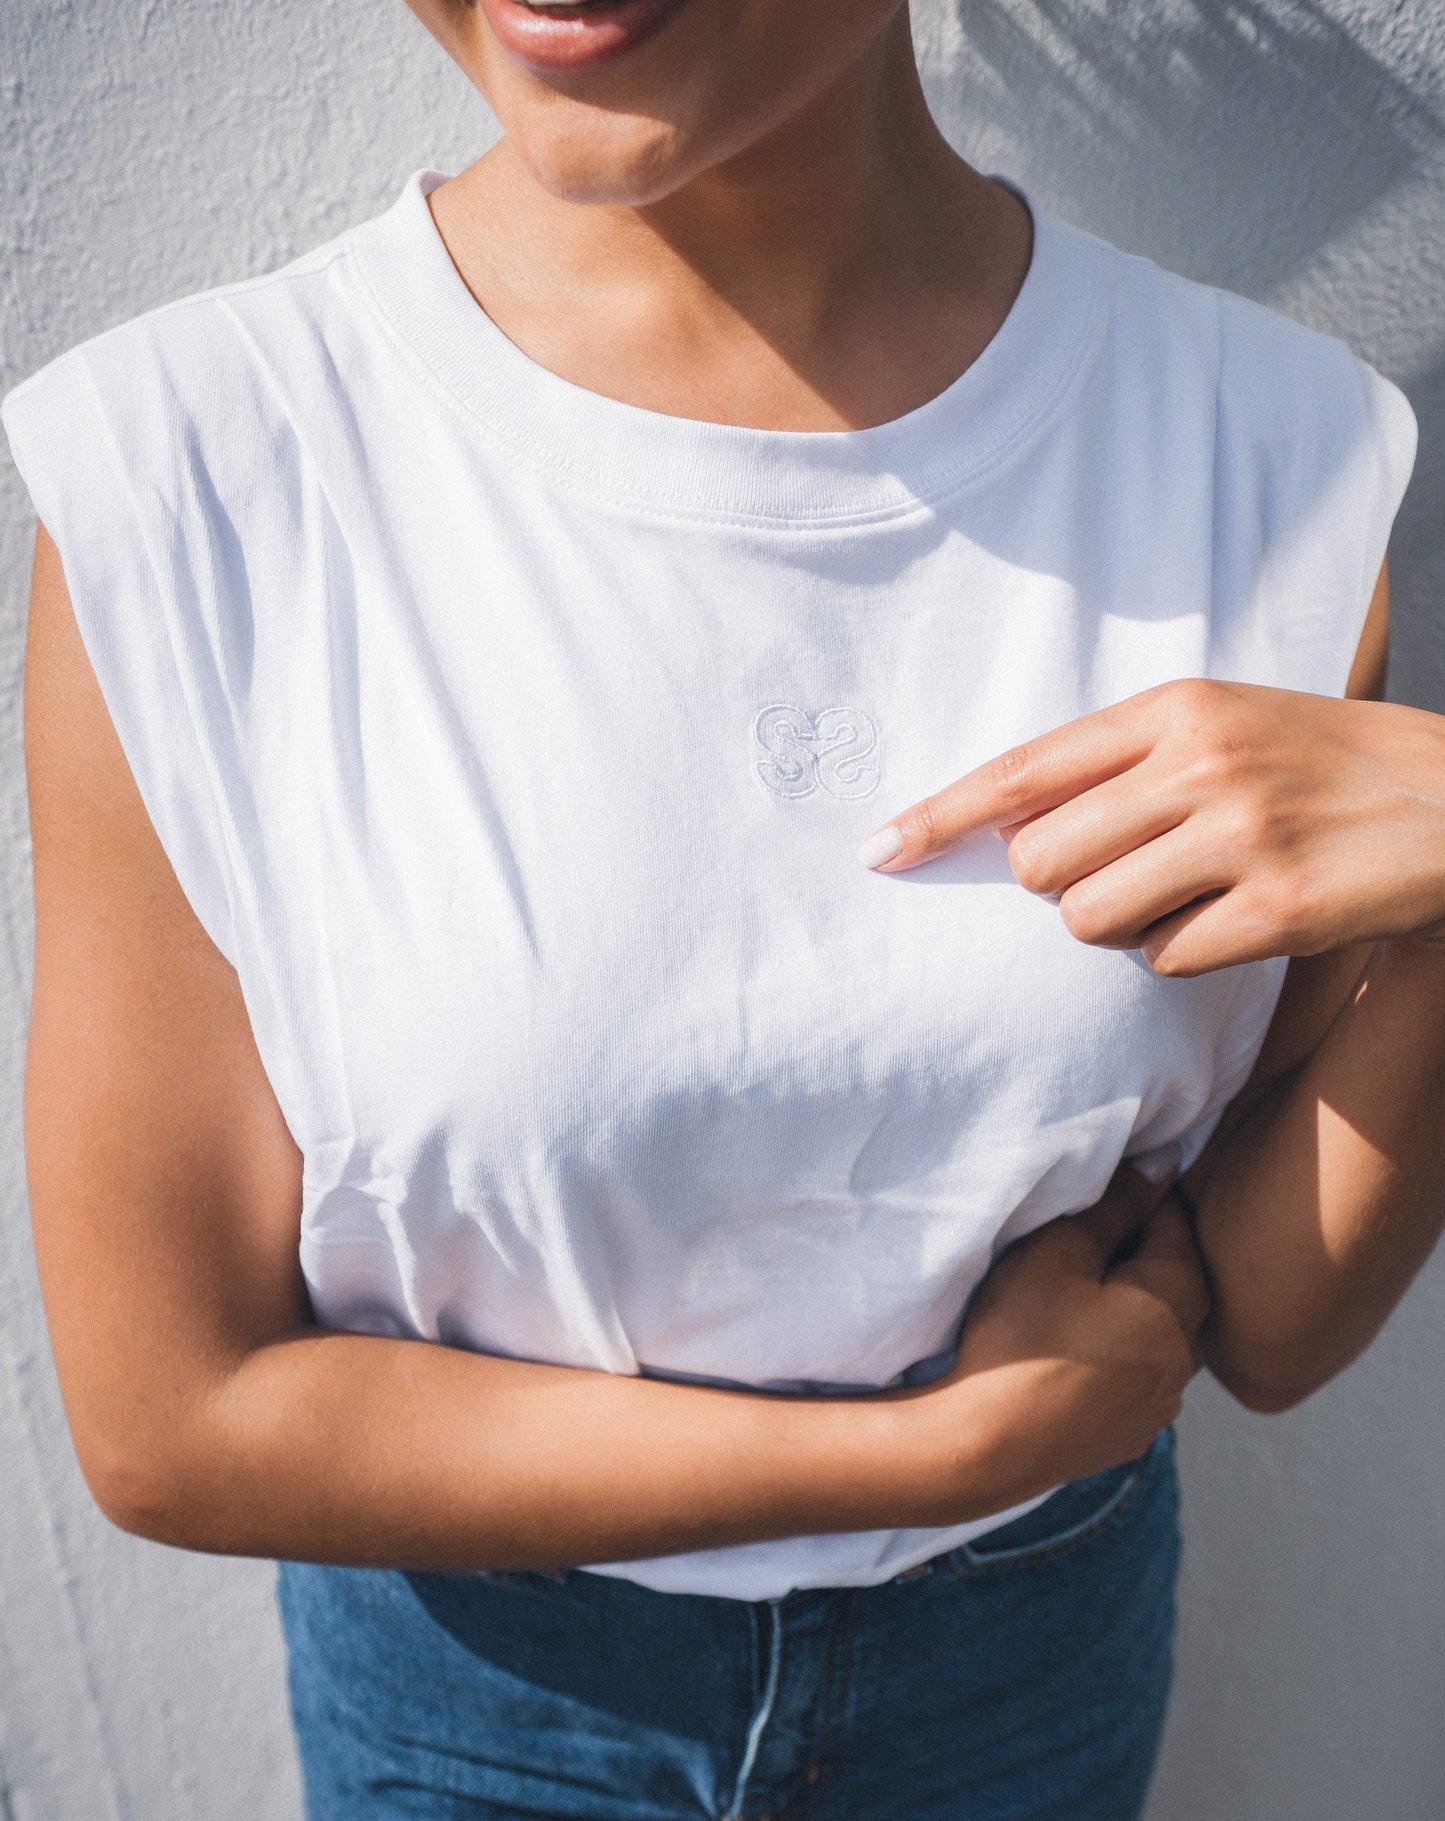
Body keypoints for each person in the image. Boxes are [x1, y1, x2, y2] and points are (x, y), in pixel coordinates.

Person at [5, 1, 1444, 1816]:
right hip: (484, 1705)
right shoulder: (200, 475)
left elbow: (1266, 1317)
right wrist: (927, 1456)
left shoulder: (1271, 455)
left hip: (1033, 1662)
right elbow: (170, 1416)